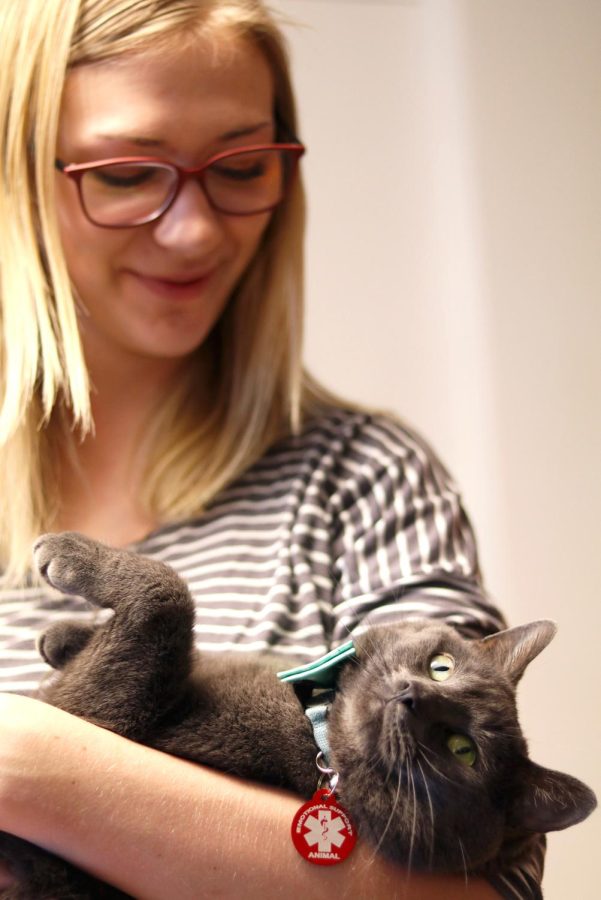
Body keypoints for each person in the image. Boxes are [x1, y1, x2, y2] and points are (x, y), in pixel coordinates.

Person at [0, 0, 545, 897]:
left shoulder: (363, 482)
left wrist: (40, 769)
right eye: (131, 175)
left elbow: (491, 886)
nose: (197, 230)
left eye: (242, 166)